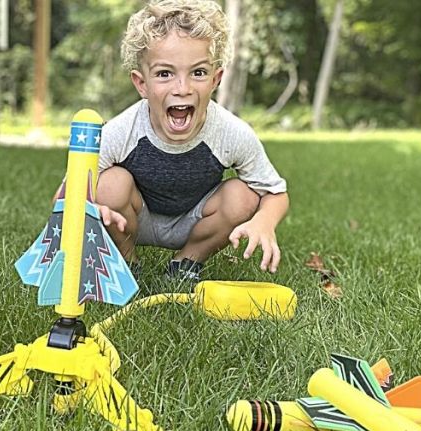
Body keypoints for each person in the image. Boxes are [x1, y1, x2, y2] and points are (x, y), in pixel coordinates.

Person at [94, 0, 288, 281]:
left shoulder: (231, 132)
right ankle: (127, 264)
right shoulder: (121, 130)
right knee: (108, 184)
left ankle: (186, 263)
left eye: (198, 72)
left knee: (243, 196)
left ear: (215, 79)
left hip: (196, 220)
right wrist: (91, 208)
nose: (182, 89)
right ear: (141, 84)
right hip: (135, 218)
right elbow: (67, 192)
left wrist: (264, 222)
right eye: (164, 74)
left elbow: (275, 193)